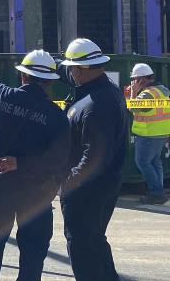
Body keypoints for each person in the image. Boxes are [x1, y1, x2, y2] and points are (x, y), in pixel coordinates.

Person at [0, 50, 71, 281]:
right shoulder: (56, 117)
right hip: (37, 195)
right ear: (49, 83)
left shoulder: (0, 95)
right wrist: (22, 164)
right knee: (33, 255)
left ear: (23, 77)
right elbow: (59, 159)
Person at [57, 38, 130, 281]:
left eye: (72, 68)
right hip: (98, 187)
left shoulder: (96, 105)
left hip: (87, 190)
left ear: (80, 69)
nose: (70, 73)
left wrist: (69, 184)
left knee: (83, 248)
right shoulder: (100, 90)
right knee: (94, 242)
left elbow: (95, 157)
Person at [128, 63, 170, 204]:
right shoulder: (163, 91)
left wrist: (133, 93)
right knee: (155, 162)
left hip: (148, 134)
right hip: (161, 134)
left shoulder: (147, 94)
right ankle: (159, 190)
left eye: (135, 79)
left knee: (142, 162)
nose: (133, 82)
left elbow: (134, 109)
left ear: (142, 79)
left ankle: (156, 193)